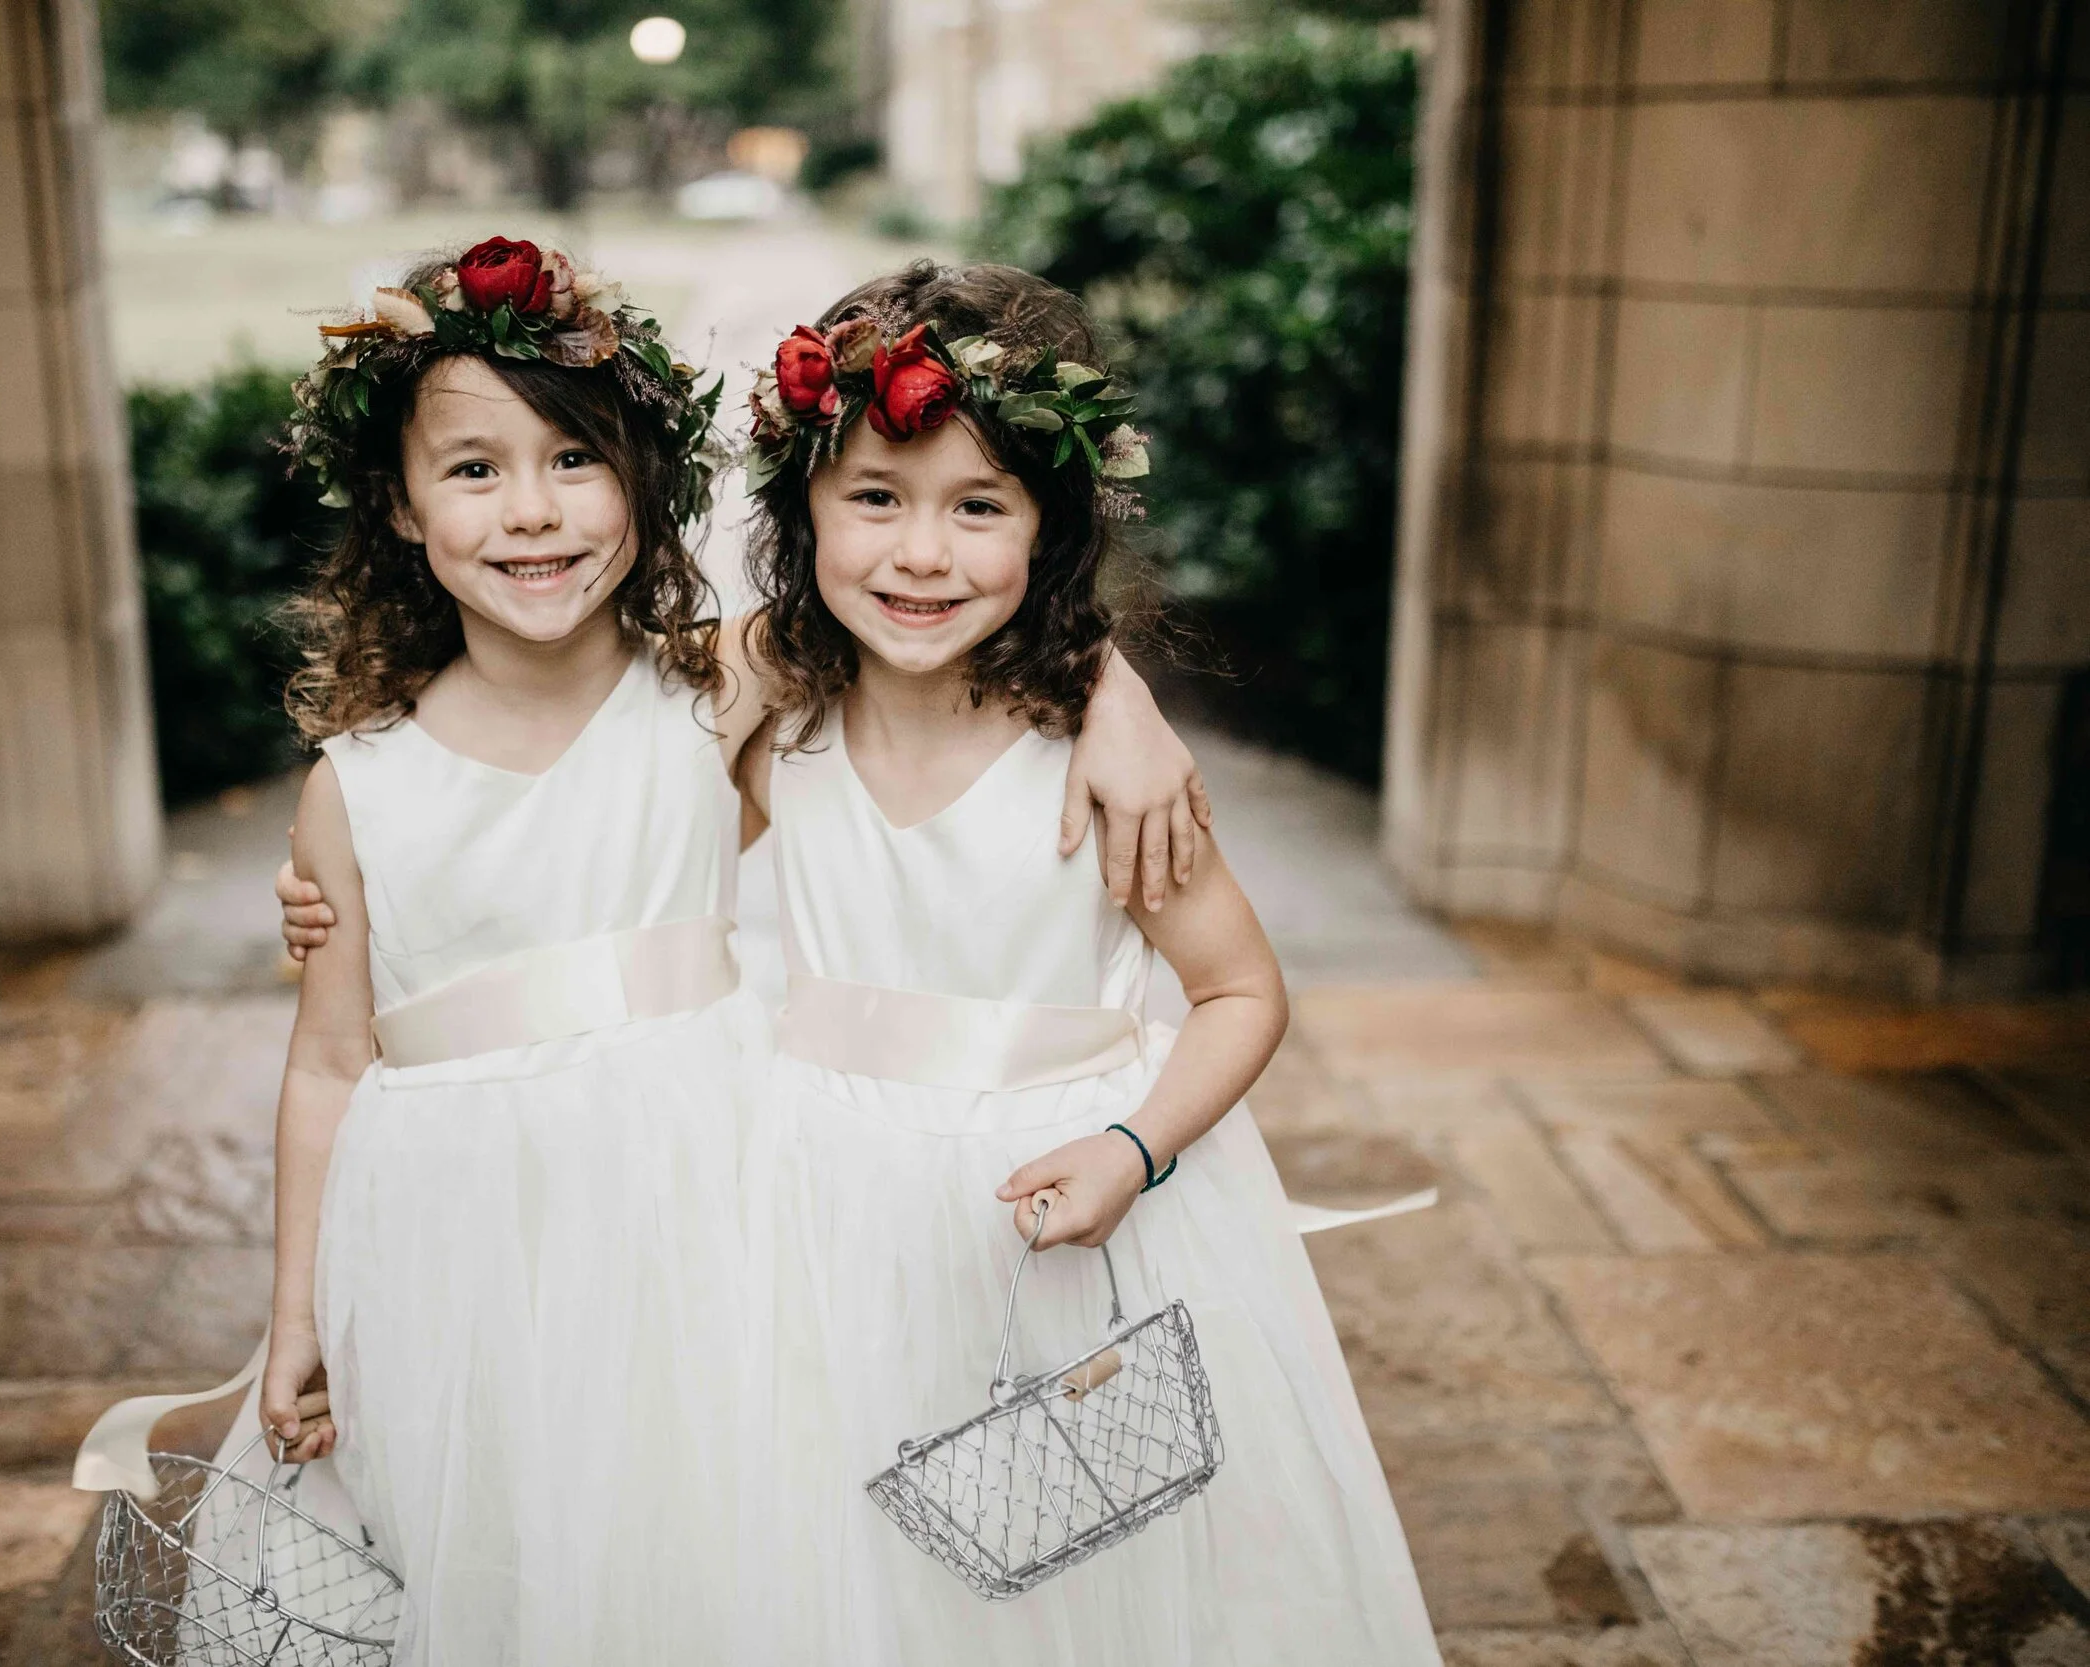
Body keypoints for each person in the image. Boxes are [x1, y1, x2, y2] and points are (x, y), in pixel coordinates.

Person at [92, 236, 1204, 1666]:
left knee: (706, 1552)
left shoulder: (715, 684)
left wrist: (1118, 691)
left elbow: (929, 614)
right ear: (398, 503)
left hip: (700, 1208)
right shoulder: (353, 785)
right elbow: (325, 1064)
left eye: (574, 462)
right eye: (474, 471)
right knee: (496, 1543)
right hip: (454, 1235)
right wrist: (296, 1305)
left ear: (646, 484)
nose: (533, 514)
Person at [728, 261, 1441, 1663]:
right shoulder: (774, 716)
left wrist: (1139, 1144)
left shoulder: (1100, 768)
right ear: (800, 506)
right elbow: (585, 781)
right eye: (874, 496)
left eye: (978, 507)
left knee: (1086, 1586)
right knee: (846, 1570)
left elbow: (1241, 990)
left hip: (1061, 1196)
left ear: (1048, 530)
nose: (921, 555)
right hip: (815, 1207)